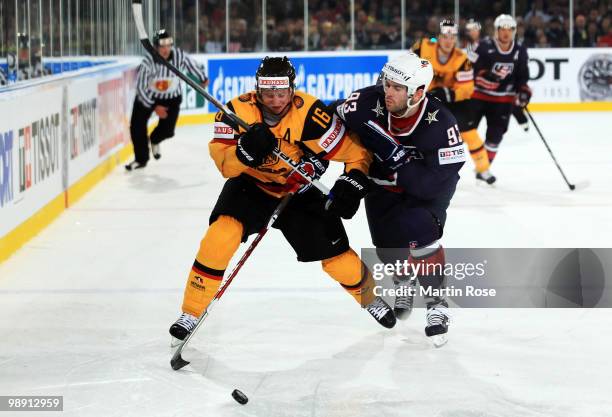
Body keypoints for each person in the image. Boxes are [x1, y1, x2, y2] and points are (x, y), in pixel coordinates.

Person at [169, 56, 397, 342]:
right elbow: (226, 166)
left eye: (282, 93)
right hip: (252, 187)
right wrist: (244, 153)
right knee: (221, 236)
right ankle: (191, 311)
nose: (275, 101)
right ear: (257, 91)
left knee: (337, 258)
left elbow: (355, 153)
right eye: (268, 94)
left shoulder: (311, 115)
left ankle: (369, 298)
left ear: (292, 89)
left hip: (300, 191)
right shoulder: (235, 112)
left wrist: (351, 182)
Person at [334, 52, 466, 346]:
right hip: (380, 187)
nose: (388, 92)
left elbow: (429, 186)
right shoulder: (366, 102)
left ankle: (436, 303)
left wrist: (393, 155)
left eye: (397, 87)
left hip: (429, 191)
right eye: (387, 84)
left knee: (420, 233)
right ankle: (403, 279)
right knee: (387, 250)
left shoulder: (442, 125)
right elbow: (325, 122)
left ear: (418, 92)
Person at [412, 19, 494, 184]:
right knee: (417, 134)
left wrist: (447, 93)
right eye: (445, 37)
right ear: (438, 37)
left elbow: (467, 88)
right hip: (424, 98)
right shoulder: (422, 47)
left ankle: (483, 169)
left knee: (470, 134)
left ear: (456, 39)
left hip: (453, 101)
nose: (448, 41)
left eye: (452, 37)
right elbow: (408, 67)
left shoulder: (462, 59)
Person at [125, 29, 208, 171]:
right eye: (162, 46)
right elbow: (140, 88)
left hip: (171, 99)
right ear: (156, 46)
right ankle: (141, 159)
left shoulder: (179, 56)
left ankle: (155, 139)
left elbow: (192, 65)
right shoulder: (148, 61)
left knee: (168, 131)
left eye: (168, 45)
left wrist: (203, 78)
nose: (166, 49)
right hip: (149, 97)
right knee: (136, 126)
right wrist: (154, 106)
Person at [467, 14, 531, 170]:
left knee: (495, 137)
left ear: (515, 31)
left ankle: (483, 169)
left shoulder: (520, 50)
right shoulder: (482, 46)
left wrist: (523, 91)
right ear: (496, 30)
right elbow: (470, 70)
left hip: (503, 101)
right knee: (464, 131)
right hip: (478, 97)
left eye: (510, 29)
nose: (506, 33)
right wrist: (485, 76)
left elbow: (522, 75)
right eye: (503, 29)